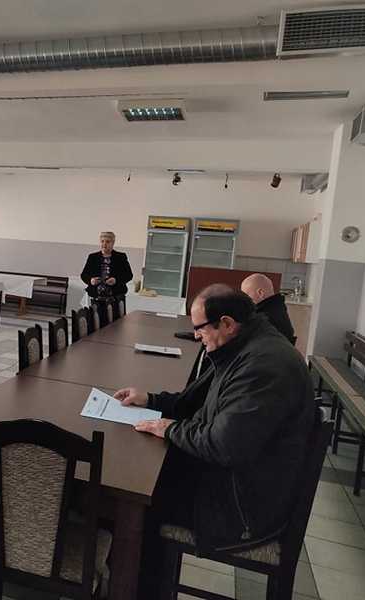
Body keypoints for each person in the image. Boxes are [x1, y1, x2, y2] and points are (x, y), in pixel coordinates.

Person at [113, 286, 314, 599]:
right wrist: (151, 400)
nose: (196, 336)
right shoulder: (243, 346)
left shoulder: (263, 365)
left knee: (135, 505)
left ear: (227, 323)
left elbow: (223, 445)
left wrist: (169, 429)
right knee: (136, 476)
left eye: (200, 328)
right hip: (235, 478)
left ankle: (134, 588)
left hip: (242, 505)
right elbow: (196, 403)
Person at [80, 231, 133, 322]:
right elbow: (84, 275)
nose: (104, 244)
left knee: (116, 325)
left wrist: (116, 280)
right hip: (96, 298)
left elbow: (129, 275)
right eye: (102, 241)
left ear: (113, 243)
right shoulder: (92, 257)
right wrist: (91, 280)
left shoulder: (121, 257)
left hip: (115, 298)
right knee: (96, 324)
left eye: (107, 242)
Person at [240, 272, 296, 344]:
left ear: (260, 293)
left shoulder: (265, 317)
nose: (245, 300)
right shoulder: (277, 307)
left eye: (247, 295)